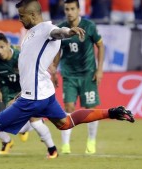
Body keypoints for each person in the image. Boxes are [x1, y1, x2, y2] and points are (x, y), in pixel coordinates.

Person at [0, 0, 135, 168]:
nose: (19, 19)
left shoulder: (45, 29)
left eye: (22, 16)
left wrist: (69, 32)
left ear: (34, 15)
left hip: (33, 99)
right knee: (65, 122)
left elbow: (57, 33)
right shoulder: (31, 34)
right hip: (42, 93)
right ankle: (112, 112)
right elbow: (30, 66)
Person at [0, 32, 58, 158]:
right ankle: (24, 129)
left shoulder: (21, 54)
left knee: (34, 120)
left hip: (27, 88)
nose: (0, 51)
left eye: (2, 47)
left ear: (9, 44)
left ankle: (52, 150)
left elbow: (37, 67)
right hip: (8, 91)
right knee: (4, 121)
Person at [53, 0, 105, 155]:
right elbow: (57, 50)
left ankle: (91, 140)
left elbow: (101, 45)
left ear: (78, 10)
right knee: (68, 107)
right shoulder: (61, 29)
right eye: (66, 9)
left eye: (72, 9)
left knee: (90, 109)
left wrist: (100, 69)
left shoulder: (89, 26)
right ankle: (66, 145)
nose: (69, 12)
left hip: (88, 74)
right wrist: (54, 71)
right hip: (69, 75)